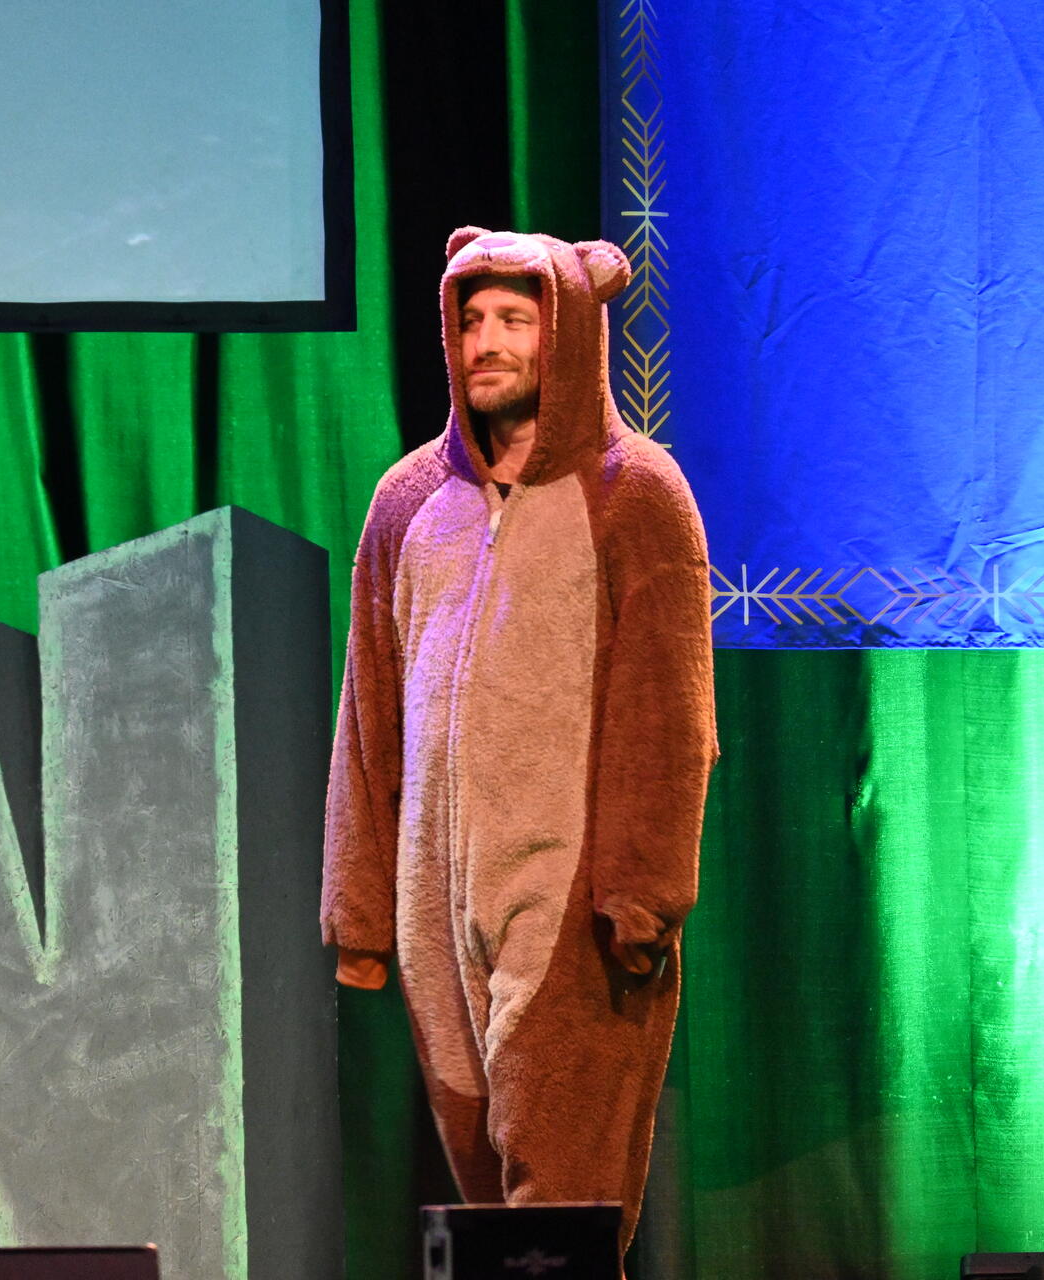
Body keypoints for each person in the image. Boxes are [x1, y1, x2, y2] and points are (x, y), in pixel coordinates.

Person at [320, 226, 717, 1257]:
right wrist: (361, 910)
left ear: (568, 329)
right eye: (470, 320)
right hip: (435, 914)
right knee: (497, 1228)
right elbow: (369, 716)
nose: (485, 341)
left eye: (514, 318)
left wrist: (642, 894)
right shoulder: (408, 502)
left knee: (558, 1214)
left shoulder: (636, 491)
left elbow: (669, 716)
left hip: (576, 911)